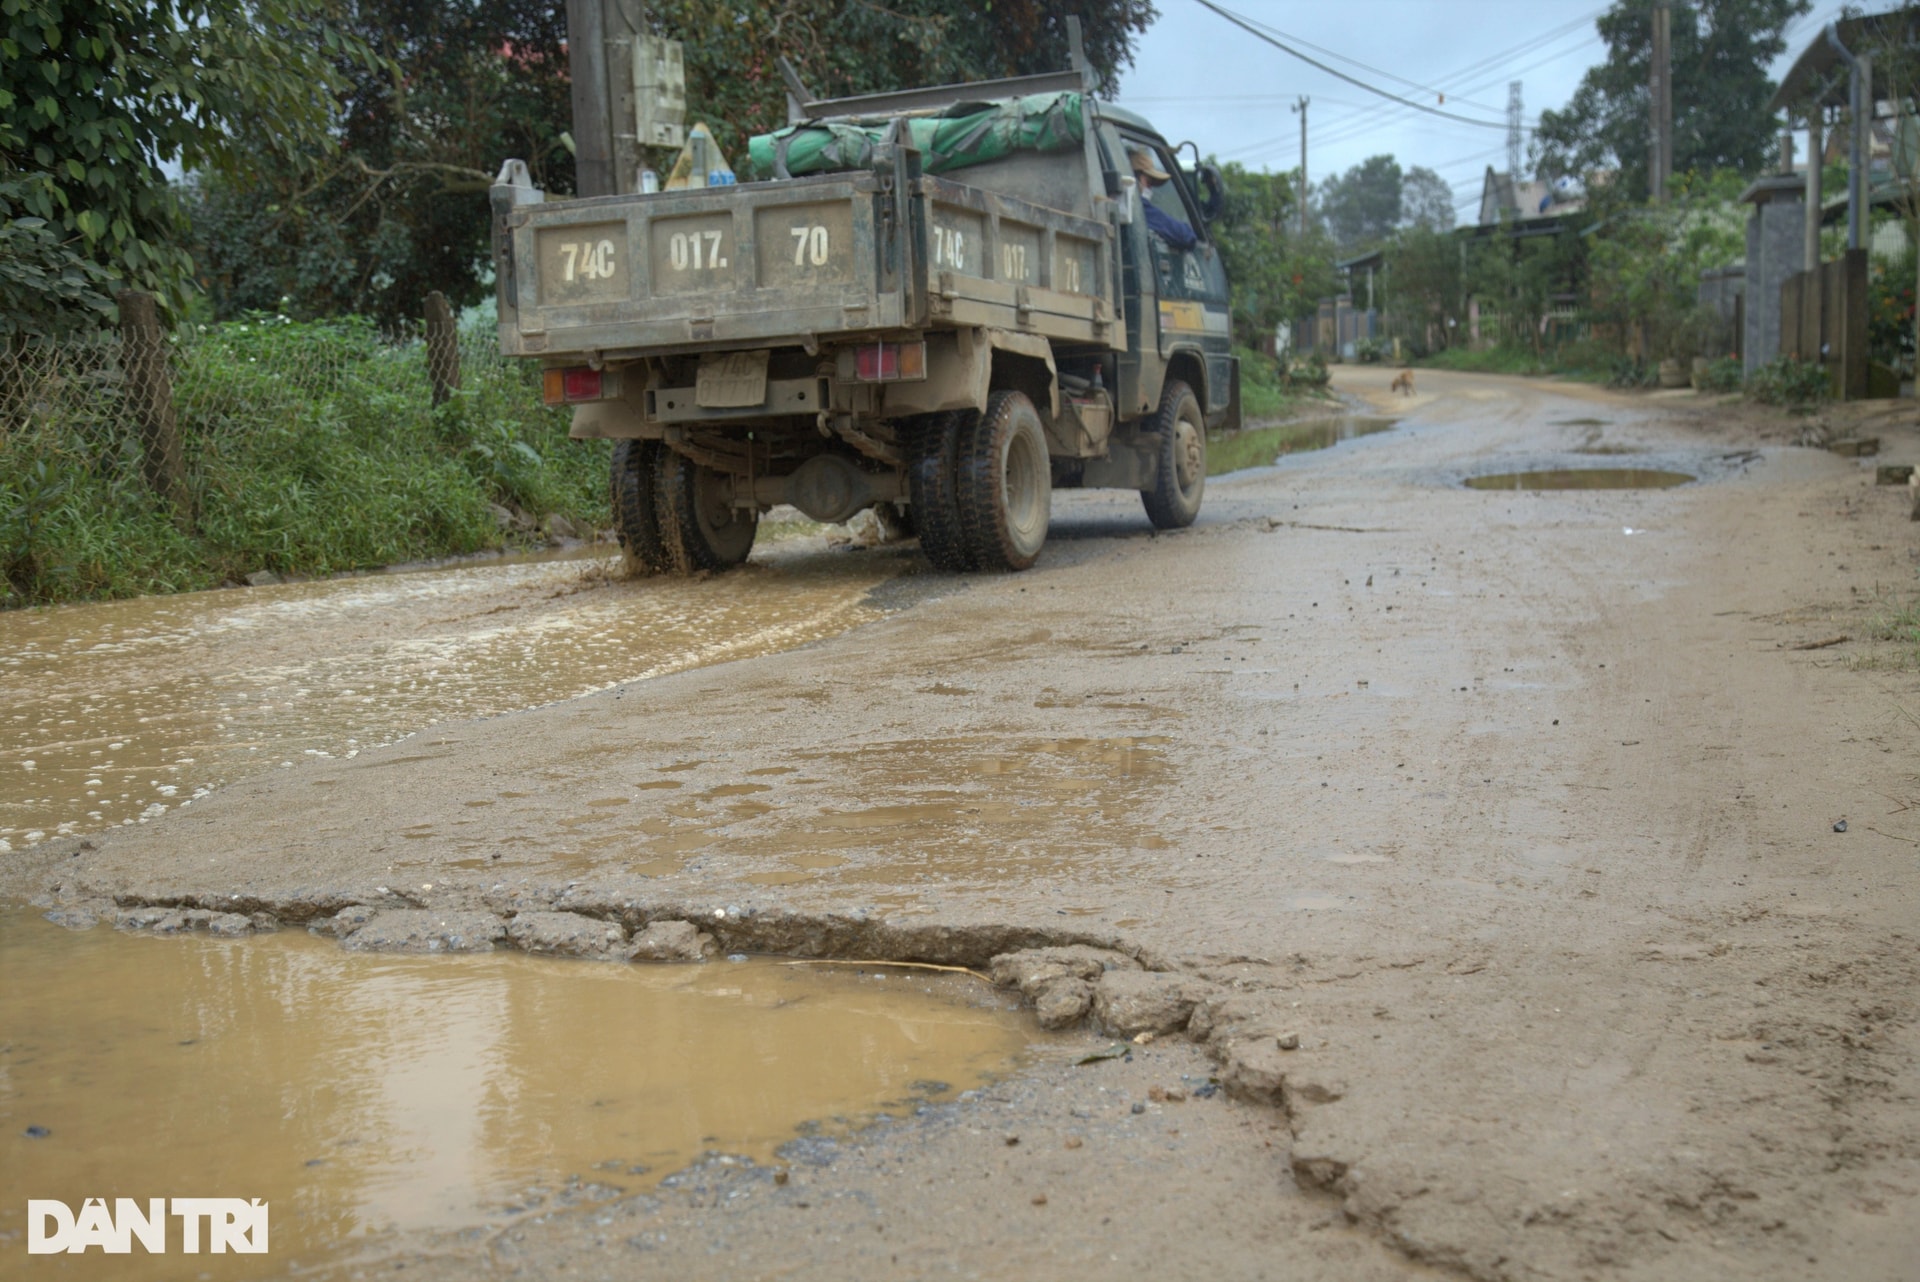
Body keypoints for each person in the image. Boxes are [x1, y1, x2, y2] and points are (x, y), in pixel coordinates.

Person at [1129, 148, 1198, 252]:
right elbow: (1186, 236)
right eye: (1148, 182)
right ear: (1134, 179)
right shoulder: (1139, 208)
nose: (1149, 189)